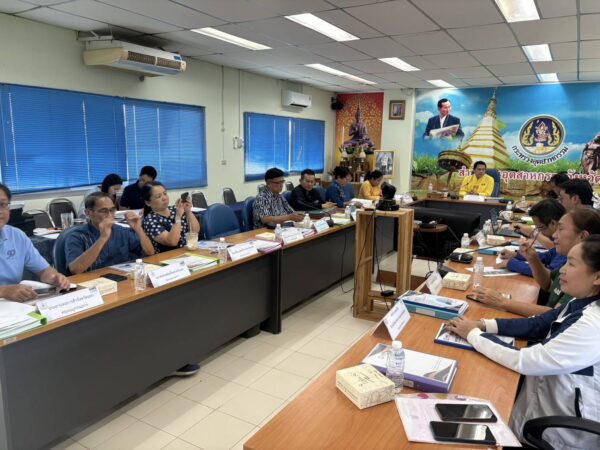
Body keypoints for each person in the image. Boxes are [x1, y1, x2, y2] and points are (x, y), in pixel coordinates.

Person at [447, 235, 600, 449]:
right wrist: (482, 324)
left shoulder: (593, 326)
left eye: (571, 264)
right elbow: (538, 324)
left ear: (597, 277)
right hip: (548, 400)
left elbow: (526, 361)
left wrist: (473, 334)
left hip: (560, 435)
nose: (563, 270)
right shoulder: (582, 301)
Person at [475, 207, 600, 317]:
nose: (554, 235)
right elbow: (549, 285)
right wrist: (532, 258)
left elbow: (555, 315)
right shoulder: (567, 258)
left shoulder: (583, 275)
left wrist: (502, 302)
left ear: (583, 236)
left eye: (561, 229)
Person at [0, 183, 70, 302]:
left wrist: (55, 278)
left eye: (2, 204)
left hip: (13, 306)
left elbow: (43, 270)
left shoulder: (17, 236)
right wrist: (3, 291)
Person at [65, 192, 155, 275]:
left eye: (112, 210)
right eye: (104, 211)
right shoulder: (76, 236)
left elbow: (150, 252)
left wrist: (138, 229)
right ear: (88, 213)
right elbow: (75, 270)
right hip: (95, 281)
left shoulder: (121, 230)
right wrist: (102, 238)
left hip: (123, 277)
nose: (109, 215)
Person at [496, 199, 566, 276]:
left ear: (553, 223)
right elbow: (547, 257)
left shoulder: (568, 244)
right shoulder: (561, 242)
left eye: (540, 227)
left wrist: (512, 264)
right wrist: (516, 255)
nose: (540, 232)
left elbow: (550, 273)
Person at [141, 182, 200, 254]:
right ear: (148, 203)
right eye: (158, 196)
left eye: (165, 193)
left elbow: (195, 231)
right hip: (168, 257)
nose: (164, 198)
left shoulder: (176, 209)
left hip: (187, 251)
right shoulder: (150, 221)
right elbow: (172, 242)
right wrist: (178, 217)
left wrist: (188, 211)